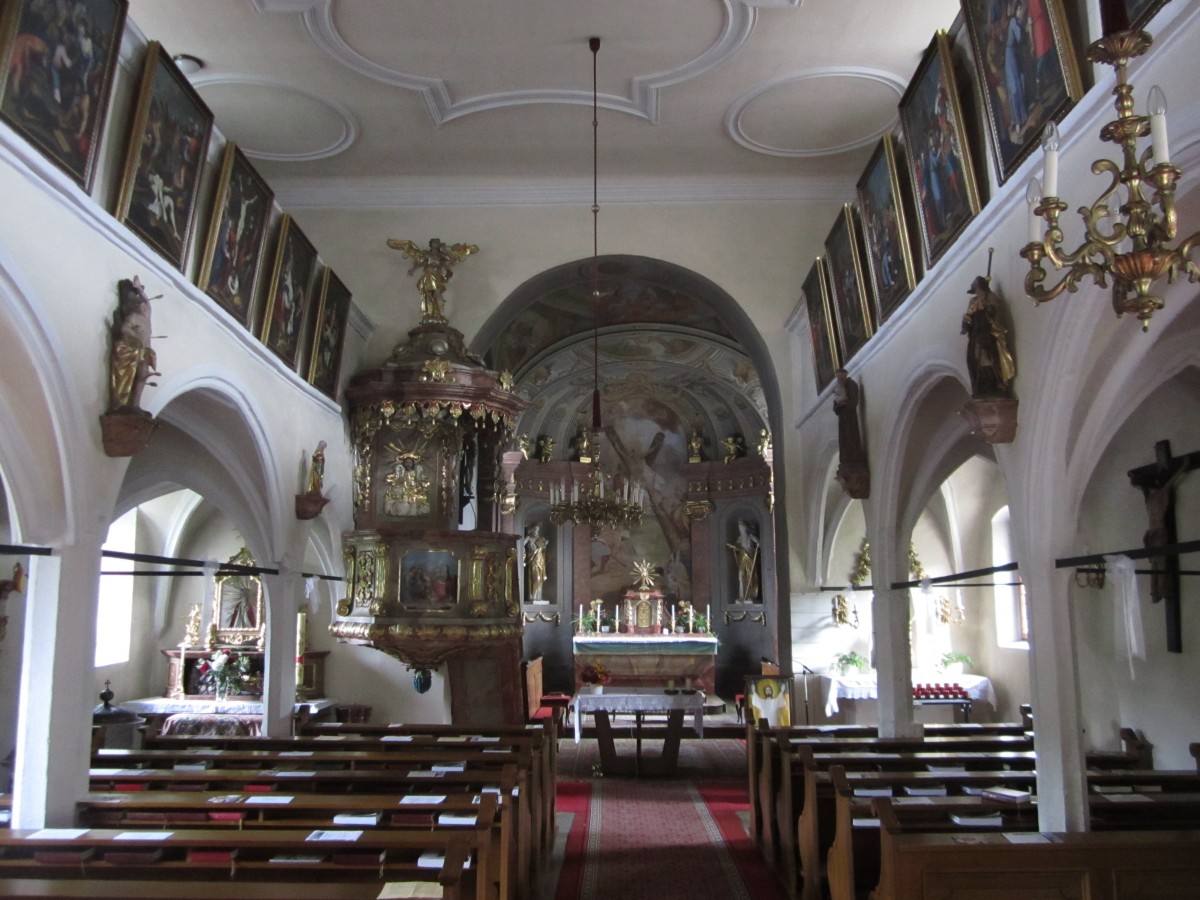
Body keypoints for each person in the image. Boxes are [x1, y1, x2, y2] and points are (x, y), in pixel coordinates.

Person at [386, 237, 478, 322]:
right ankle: (429, 314)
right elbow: (420, 262)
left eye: (437, 242)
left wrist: (445, 249)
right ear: (431, 244)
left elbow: (450, 259)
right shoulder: (427, 253)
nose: (436, 243)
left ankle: (440, 314)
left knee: (437, 293)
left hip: (437, 274)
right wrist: (412, 270)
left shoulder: (441, 255)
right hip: (428, 273)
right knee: (428, 294)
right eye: (434, 242)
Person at [109, 277, 160, 411]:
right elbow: (124, 329)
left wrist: (138, 289)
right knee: (132, 376)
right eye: (140, 305)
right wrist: (135, 337)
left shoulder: (146, 315)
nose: (144, 307)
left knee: (143, 375)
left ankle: (135, 404)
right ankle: (126, 403)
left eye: (144, 305)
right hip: (133, 350)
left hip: (145, 350)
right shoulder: (133, 317)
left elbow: (148, 302)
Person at [961, 276, 1016, 396]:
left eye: (976, 287)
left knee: (988, 353)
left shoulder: (990, 297)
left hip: (987, 331)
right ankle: (982, 385)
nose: (976, 290)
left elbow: (995, 312)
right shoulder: (974, 301)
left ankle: (997, 382)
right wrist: (965, 325)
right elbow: (968, 316)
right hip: (976, 330)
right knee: (975, 356)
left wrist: (989, 309)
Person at [833, 369, 865, 466]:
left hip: (850, 417)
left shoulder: (851, 385)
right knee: (844, 439)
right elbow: (835, 406)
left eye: (840, 376)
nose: (838, 379)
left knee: (851, 436)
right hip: (843, 418)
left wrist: (845, 403)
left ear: (844, 375)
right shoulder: (838, 388)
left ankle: (854, 457)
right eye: (837, 377)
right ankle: (846, 458)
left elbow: (854, 401)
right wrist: (838, 406)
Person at [727, 520, 762, 603]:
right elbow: (737, 547)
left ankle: (751, 596)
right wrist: (733, 547)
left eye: (742, 527)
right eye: (740, 528)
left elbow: (759, 543)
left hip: (750, 558)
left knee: (750, 576)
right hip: (742, 558)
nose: (741, 529)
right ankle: (742, 596)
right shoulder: (739, 538)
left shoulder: (750, 537)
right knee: (741, 576)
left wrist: (758, 545)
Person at [524, 524, 549, 602]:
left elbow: (544, 552)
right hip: (532, 560)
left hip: (540, 561)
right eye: (535, 529)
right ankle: (532, 596)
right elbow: (520, 545)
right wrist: (523, 557)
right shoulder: (529, 538)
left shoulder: (540, 539)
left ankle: (538, 597)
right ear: (532, 530)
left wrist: (544, 546)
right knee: (536, 578)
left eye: (537, 530)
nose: (536, 531)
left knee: (540, 579)